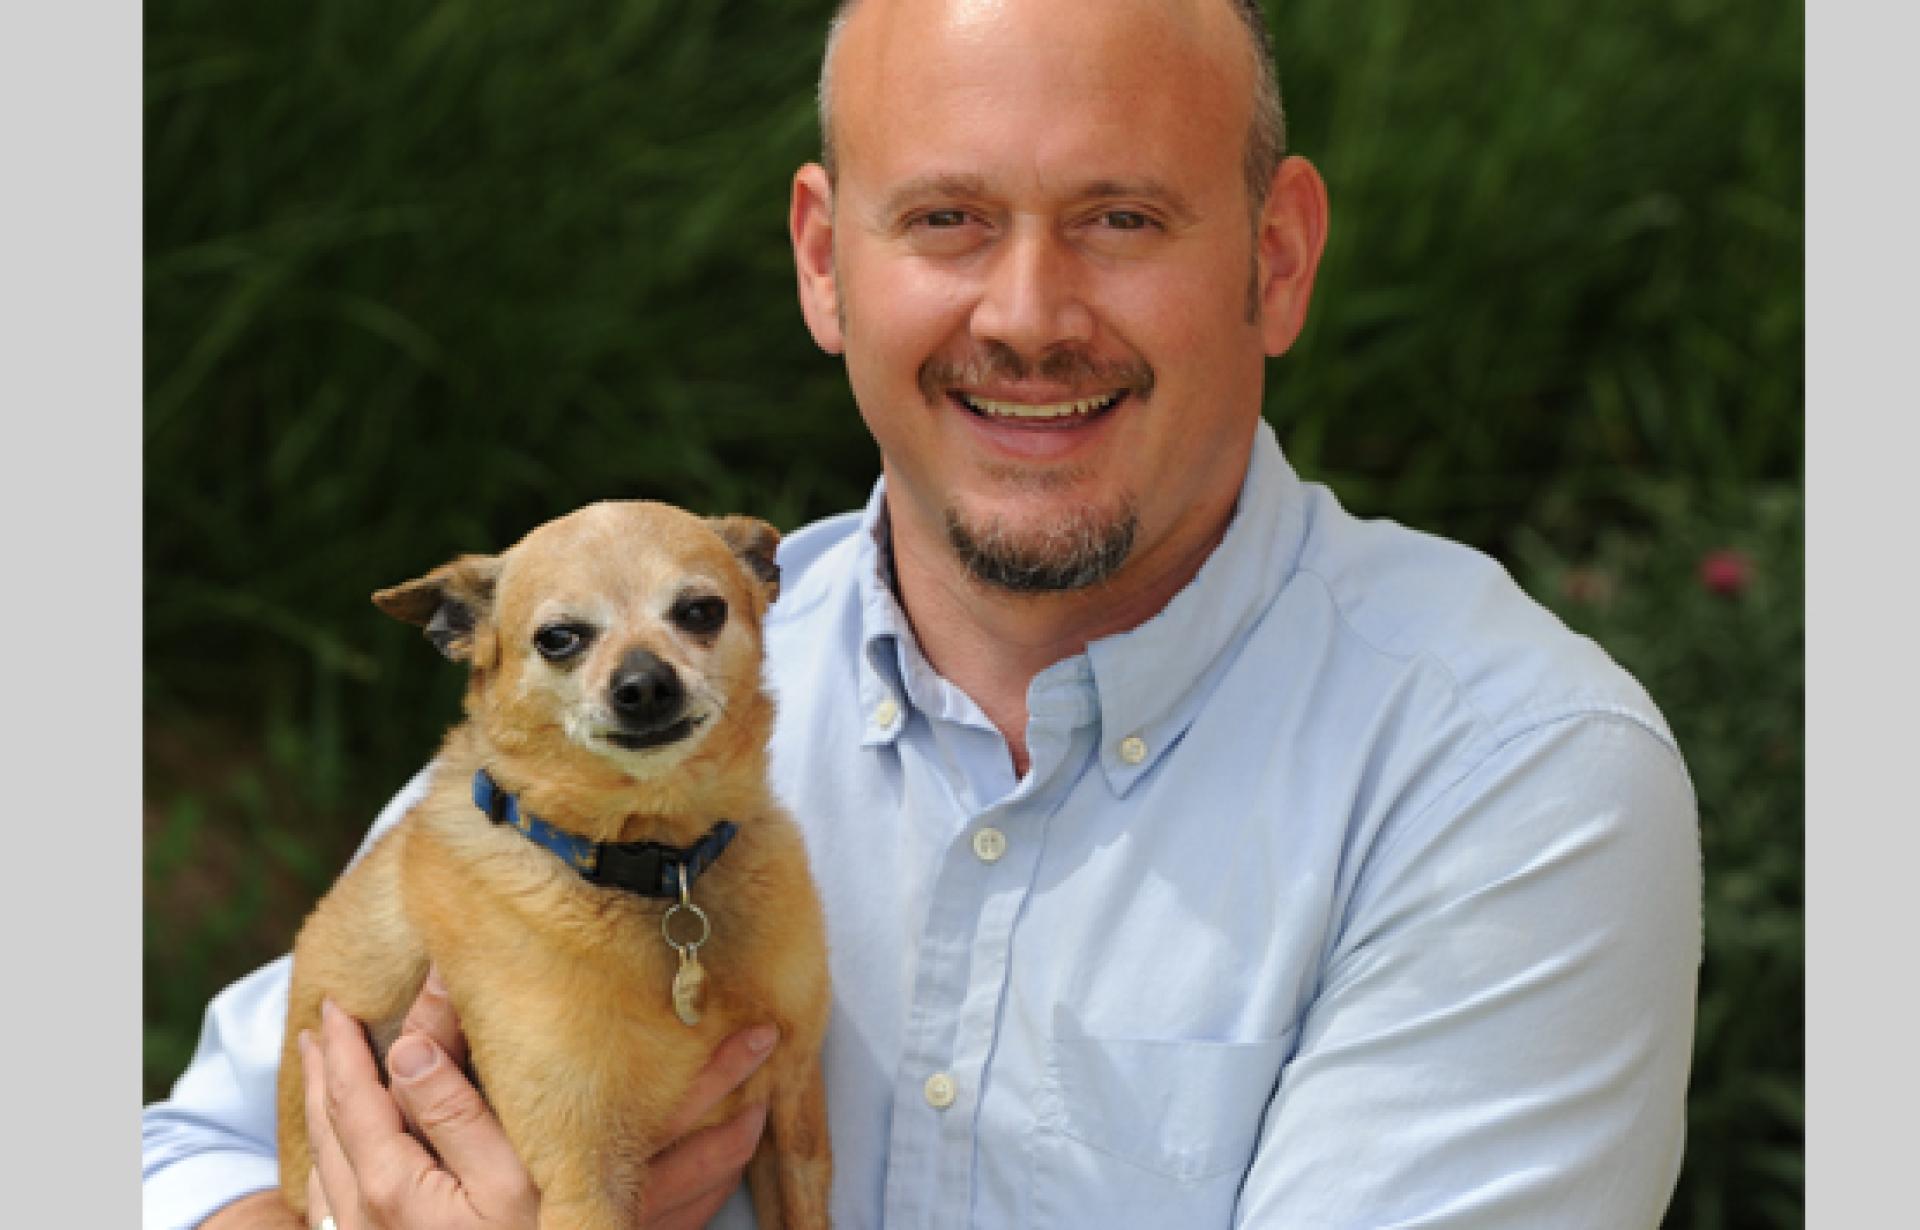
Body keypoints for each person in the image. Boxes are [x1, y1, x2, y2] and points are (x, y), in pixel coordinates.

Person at [143, 0, 1702, 1226]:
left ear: (1278, 257)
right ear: (827, 263)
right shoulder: (600, 736)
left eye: (1121, 218)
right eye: (948, 220)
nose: (1027, 315)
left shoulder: (1506, 775)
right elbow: (177, 1152)